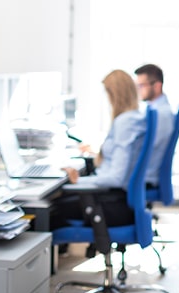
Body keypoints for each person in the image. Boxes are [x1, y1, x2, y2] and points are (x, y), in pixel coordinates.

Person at [52, 70, 147, 236]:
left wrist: (78, 181)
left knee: (50, 209)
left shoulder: (125, 123)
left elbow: (116, 178)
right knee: (57, 202)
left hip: (112, 205)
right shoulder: (133, 118)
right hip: (120, 201)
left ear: (115, 94)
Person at [134, 64, 174, 187]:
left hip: (145, 177)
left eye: (141, 85)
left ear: (157, 86)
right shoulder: (154, 110)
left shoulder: (160, 114)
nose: (138, 90)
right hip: (144, 174)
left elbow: (142, 148)